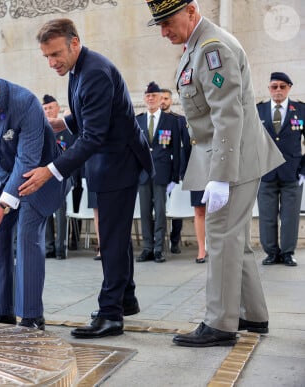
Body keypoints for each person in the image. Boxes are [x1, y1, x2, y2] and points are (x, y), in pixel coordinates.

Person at [146, 0, 284, 347]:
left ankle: (220, 323)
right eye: (158, 24)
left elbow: (228, 114)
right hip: (228, 155)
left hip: (232, 159)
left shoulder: (212, 48)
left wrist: (221, 175)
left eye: (168, 21)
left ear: (191, 10)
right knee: (234, 239)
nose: (163, 32)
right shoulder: (197, 46)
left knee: (221, 238)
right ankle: (253, 315)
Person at [23, 18, 153, 338]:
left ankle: (110, 315)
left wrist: (49, 171)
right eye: (47, 57)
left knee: (109, 240)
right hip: (110, 162)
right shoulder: (80, 68)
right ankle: (126, 298)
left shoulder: (93, 71)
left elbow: (93, 136)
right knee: (116, 237)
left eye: (55, 54)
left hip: (117, 163)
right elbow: (84, 116)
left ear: (75, 43)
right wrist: (54, 125)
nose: (52, 63)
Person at [0, 63, 68, 330]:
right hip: (2, 175)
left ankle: (30, 316)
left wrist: (3, 204)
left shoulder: (25, 102)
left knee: (27, 236)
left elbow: (26, 160)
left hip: (39, 176)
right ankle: (1, 312)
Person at [257, 72, 305, 267]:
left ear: (289, 88)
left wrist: (303, 171)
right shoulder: (258, 110)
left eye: (282, 86)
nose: (278, 90)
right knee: (267, 214)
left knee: (290, 216)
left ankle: (287, 252)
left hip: (292, 172)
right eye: (274, 86)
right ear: (269, 88)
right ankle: (271, 252)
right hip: (266, 171)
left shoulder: (300, 110)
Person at [136, 81, 181, 263]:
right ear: (145, 99)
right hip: (142, 173)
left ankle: (158, 249)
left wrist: (175, 175)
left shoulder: (170, 121)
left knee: (160, 212)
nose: (151, 99)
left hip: (162, 172)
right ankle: (147, 247)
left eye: (154, 96)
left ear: (159, 98)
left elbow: (176, 150)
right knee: (145, 211)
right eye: (148, 96)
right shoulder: (137, 120)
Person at [160, 88, 206, 263]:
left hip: (213, 167)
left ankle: (213, 247)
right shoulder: (184, 122)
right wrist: (181, 174)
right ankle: (201, 249)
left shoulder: (209, 118)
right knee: (199, 210)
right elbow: (182, 150)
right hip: (192, 170)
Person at [42, 94, 75, 260]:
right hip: (45, 178)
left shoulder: (67, 130)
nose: (48, 111)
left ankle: (60, 247)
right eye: (45, 108)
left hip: (62, 177)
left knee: (60, 214)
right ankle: (49, 246)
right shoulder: (41, 131)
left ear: (57, 109)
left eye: (51, 108)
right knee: (46, 213)